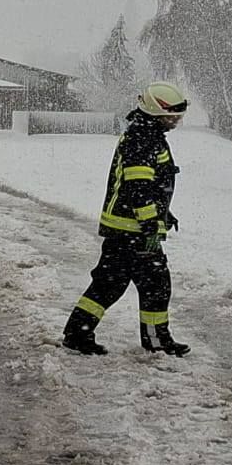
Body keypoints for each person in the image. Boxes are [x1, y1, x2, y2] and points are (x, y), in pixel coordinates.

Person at [61, 80, 191, 358]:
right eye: (172, 116)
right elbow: (139, 189)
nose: (176, 121)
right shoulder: (144, 139)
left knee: (109, 284)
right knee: (155, 285)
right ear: (157, 112)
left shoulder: (144, 134)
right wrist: (150, 224)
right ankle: (155, 341)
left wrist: (163, 211)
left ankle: (77, 333)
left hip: (124, 229)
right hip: (133, 230)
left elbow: (148, 186)